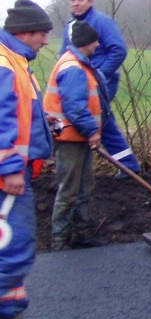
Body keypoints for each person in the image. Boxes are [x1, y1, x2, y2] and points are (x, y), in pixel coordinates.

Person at [0, 0, 53, 319]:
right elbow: (3, 122)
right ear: (26, 32)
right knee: (12, 252)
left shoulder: (16, 63)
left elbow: (22, 116)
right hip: (9, 181)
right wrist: (11, 170)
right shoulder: (7, 66)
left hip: (13, 175)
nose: (46, 41)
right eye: (43, 34)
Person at [60, 0, 140, 177]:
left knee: (93, 119)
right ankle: (129, 165)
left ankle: (122, 167)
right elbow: (64, 54)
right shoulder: (70, 27)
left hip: (100, 82)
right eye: (73, 0)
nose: (76, 4)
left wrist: (101, 75)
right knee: (102, 121)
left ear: (90, 1)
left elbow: (119, 49)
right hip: (79, 82)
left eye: (81, 0)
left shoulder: (101, 22)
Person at [44, 21, 108, 251]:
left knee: (84, 189)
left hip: (78, 139)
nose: (98, 44)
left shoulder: (79, 64)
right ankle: (59, 244)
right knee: (69, 192)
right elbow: (75, 108)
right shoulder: (73, 68)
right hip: (71, 139)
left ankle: (81, 235)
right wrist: (92, 132)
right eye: (95, 41)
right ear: (86, 43)